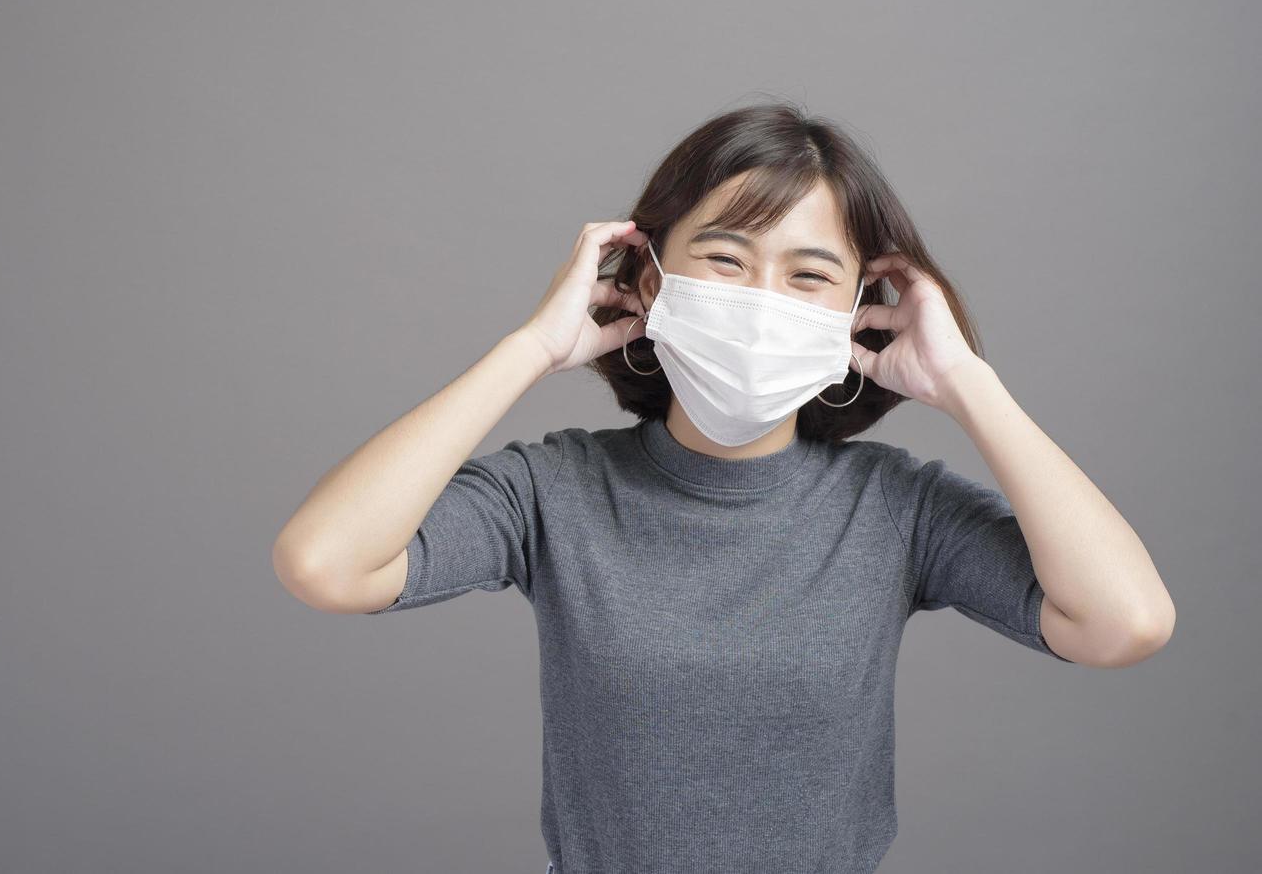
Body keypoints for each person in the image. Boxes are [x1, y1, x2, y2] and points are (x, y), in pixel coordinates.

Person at [273, 100, 1174, 874]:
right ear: (648, 274)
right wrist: (532, 349)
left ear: (861, 307)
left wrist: (966, 382)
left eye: (809, 274)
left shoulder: (896, 509)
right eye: (725, 258)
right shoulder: (552, 491)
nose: (760, 298)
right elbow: (326, 563)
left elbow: (1122, 623)